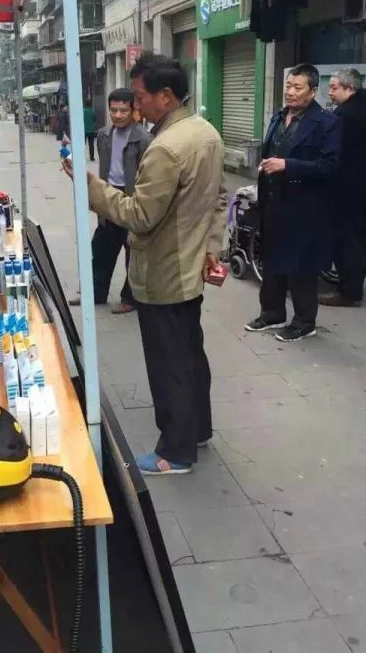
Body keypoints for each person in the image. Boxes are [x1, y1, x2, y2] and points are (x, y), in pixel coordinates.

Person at [63, 54, 226, 475]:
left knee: (169, 364)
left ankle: (175, 452)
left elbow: (139, 215)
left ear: (165, 96)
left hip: (164, 271)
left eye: (139, 97)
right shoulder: (205, 133)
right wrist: (212, 248)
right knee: (189, 355)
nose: (136, 107)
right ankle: (196, 429)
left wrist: (91, 186)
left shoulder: (166, 148)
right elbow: (218, 199)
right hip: (190, 267)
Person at [245, 63, 341, 342]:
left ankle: (304, 322)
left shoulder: (327, 123)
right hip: (273, 202)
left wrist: (288, 165)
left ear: (312, 91)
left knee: (301, 267)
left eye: (298, 87)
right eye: (288, 85)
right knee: (272, 260)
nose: (290, 92)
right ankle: (272, 313)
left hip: (304, 207)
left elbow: (330, 167)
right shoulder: (279, 117)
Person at [70, 88, 151, 314]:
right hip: (108, 193)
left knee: (133, 251)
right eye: (114, 110)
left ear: (133, 110)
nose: (118, 115)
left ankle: (130, 298)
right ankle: (96, 293)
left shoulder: (144, 139)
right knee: (101, 249)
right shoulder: (104, 135)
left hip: (131, 197)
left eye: (123, 110)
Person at [320, 69, 366, 307]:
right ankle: (352, 284)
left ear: (350, 88)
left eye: (334, 87)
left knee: (347, 243)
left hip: (350, 193)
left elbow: (335, 153)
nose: (329, 91)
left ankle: (348, 293)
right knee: (359, 241)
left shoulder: (347, 115)